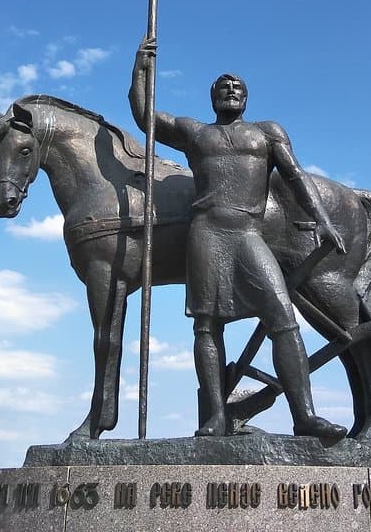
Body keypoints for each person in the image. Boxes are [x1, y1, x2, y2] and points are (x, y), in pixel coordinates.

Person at [130, 36, 347, 439]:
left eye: (237, 87)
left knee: (283, 318)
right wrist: (140, 68)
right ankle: (215, 416)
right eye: (222, 86)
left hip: (247, 232)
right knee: (207, 326)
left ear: (247, 98)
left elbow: (296, 176)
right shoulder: (196, 133)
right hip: (207, 233)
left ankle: (305, 416)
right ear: (211, 97)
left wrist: (323, 219)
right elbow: (145, 117)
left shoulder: (267, 132)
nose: (230, 90)